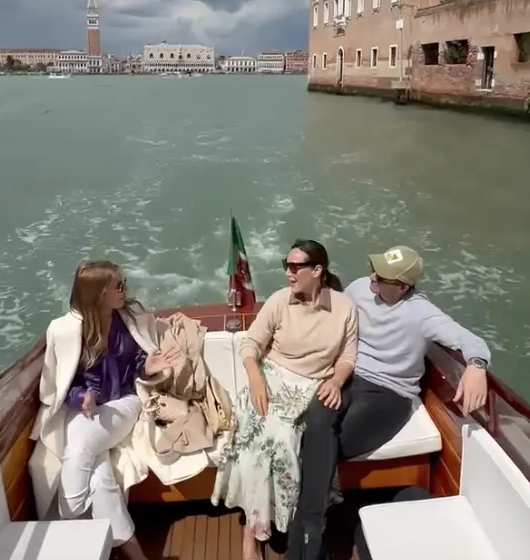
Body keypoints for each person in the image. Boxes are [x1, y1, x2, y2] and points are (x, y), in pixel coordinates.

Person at [285, 245, 490, 560]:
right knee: (315, 425)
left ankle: (305, 542)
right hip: (348, 375)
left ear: (404, 287)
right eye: (374, 271)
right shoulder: (358, 290)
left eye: (381, 278)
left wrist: (477, 366)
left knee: (331, 441)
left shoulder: (422, 313)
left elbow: (469, 340)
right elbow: (327, 307)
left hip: (389, 394)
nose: (371, 280)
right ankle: (314, 533)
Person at [212, 239, 358, 560]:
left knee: (285, 439)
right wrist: (255, 380)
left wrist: (335, 380)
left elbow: (348, 355)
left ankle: (289, 521)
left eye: (295, 267)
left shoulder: (344, 307)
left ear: (317, 271)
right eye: (286, 266)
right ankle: (251, 534)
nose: (288, 274)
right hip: (270, 378)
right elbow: (250, 345)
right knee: (258, 443)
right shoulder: (280, 301)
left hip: (311, 386)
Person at [29, 261, 181, 560]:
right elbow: (60, 384)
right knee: (100, 479)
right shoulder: (63, 331)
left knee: (80, 448)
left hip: (124, 402)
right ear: (100, 294)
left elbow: (138, 361)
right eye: (118, 286)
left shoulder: (129, 319)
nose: (125, 289)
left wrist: (148, 368)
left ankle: (69, 529)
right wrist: (80, 396)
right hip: (83, 411)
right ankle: (135, 552)